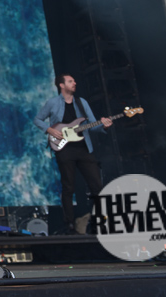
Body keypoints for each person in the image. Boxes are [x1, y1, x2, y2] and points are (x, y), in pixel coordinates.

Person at [33, 74, 112, 234]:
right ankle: (69, 223)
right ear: (61, 85)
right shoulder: (53, 103)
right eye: (70, 81)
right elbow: (38, 119)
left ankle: (98, 222)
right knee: (68, 187)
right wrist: (50, 130)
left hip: (84, 149)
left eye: (74, 81)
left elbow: (92, 125)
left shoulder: (82, 103)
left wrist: (104, 126)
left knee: (97, 186)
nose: (74, 83)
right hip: (64, 150)